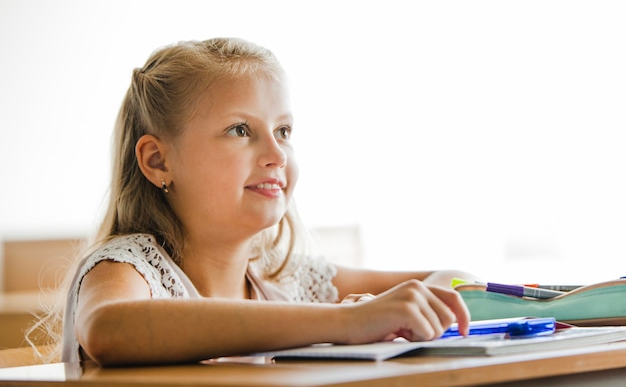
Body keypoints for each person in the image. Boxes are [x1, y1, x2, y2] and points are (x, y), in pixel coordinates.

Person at [42, 38, 475, 366]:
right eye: (240, 131)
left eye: (283, 132)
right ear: (158, 161)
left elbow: (459, 281)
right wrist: (345, 323)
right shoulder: (129, 266)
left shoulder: (285, 277)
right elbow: (108, 328)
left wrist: (422, 306)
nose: (277, 155)